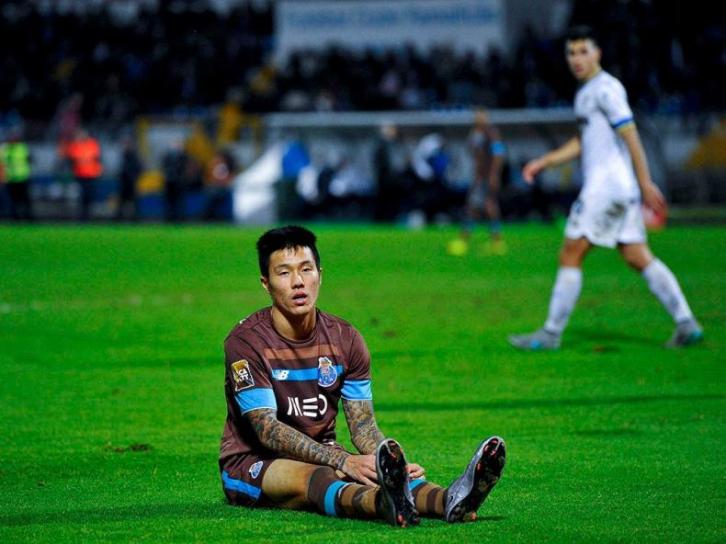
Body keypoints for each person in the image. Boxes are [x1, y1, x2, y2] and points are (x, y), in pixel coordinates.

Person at [219, 226, 506, 526]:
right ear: (266, 284)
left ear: (320, 275)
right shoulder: (246, 343)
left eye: (306, 269)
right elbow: (267, 430)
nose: (298, 282)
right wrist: (343, 460)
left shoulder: (346, 339)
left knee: (368, 472)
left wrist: (391, 465)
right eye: (284, 273)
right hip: (254, 461)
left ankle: (451, 499)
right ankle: (384, 504)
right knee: (318, 477)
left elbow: (363, 427)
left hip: (324, 453)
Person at [508, 26, 703, 351]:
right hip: (619, 189)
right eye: (571, 53)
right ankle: (686, 323)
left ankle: (550, 334)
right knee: (637, 255)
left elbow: (631, 134)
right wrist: (545, 161)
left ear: (597, 53)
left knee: (571, 252)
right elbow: (583, 141)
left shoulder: (606, 89)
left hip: (606, 188)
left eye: (583, 51)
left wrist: (645, 181)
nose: (576, 59)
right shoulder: (586, 92)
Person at [448, 108, 507, 256]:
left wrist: (494, 174)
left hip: (486, 176)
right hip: (479, 176)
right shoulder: (475, 133)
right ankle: (491, 240)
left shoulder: (491, 133)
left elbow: (498, 154)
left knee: (485, 206)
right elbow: (473, 152)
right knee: (477, 206)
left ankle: (492, 241)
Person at [63, 128, 103, 221]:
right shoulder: (75, 145)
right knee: (81, 196)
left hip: (92, 175)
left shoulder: (92, 144)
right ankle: (82, 216)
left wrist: (99, 171)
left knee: (90, 196)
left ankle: (89, 215)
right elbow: (71, 159)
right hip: (80, 175)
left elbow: (98, 159)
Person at [0, 130, 33, 220]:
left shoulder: (22, 148)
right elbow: (2, 164)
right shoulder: (4, 149)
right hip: (11, 178)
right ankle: (15, 218)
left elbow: (29, 161)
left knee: (25, 200)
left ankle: (27, 218)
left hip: (23, 178)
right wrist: (2, 177)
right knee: (13, 200)